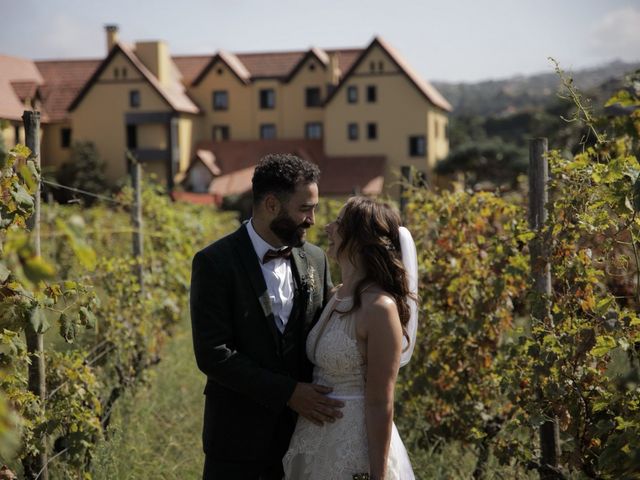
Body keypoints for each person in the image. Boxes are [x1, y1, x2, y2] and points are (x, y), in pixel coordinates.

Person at [190, 153, 344, 480]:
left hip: (302, 438)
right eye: (305, 209)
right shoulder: (214, 263)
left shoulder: (317, 259)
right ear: (271, 204)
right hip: (235, 440)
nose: (313, 220)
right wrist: (288, 393)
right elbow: (213, 354)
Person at [283, 196, 417, 480]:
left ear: (359, 239)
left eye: (339, 223)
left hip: (355, 448)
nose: (329, 227)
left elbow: (381, 401)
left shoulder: (380, 309)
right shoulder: (335, 296)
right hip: (315, 441)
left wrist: (377, 475)